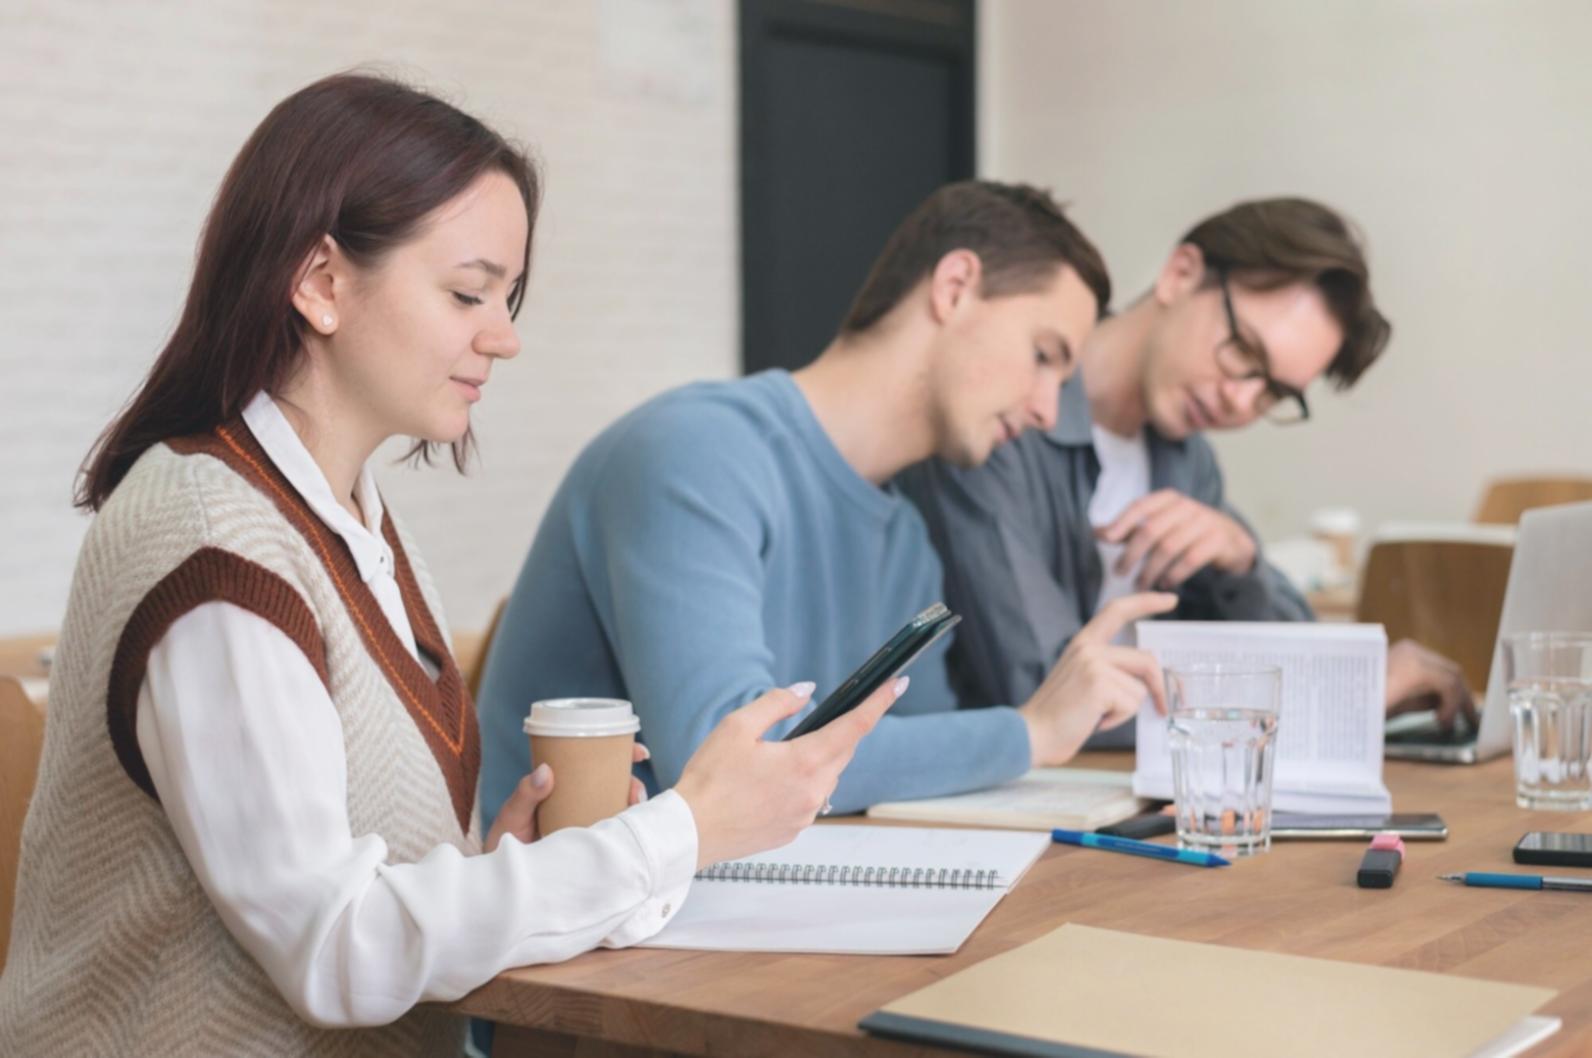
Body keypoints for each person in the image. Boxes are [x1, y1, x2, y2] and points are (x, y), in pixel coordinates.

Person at [0, 74, 899, 1057]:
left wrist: (495, 863)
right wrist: (680, 829)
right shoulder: (215, 543)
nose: (502, 337)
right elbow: (334, 943)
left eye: (505, 299)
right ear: (320, 283)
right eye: (468, 292)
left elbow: (365, 886)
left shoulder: (359, 524)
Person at [477, 180, 1178, 830]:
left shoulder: (906, 537)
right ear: (956, 287)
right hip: (583, 935)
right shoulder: (694, 450)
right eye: (1044, 354)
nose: (1050, 410)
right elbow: (731, 757)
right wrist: (1030, 732)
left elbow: (918, 762)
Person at [897, 197, 1476, 746]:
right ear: (1181, 273)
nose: (1240, 401)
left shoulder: (1185, 458)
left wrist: (1242, 560)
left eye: (1273, 392)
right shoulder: (1000, 420)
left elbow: (1283, 648)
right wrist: (1335, 703)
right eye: (1245, 353)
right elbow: (1048, 697)